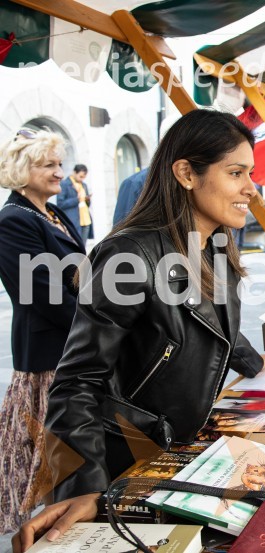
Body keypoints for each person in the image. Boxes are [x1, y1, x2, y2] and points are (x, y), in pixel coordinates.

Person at [13, 110, 265, 552]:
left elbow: (214, 330)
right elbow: (76, 383)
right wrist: (86, 486)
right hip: (126, 465)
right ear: (186, 173)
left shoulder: (217, 244)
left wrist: (263, 366)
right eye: (236, 173)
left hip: (176, 458)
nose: (251, 188)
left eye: (251, 173)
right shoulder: (127, 255)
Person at [0, 129, 85, 534]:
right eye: (48, 165)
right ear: (22, 169)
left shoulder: (51, 212)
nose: (59, 173)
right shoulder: (13, 219)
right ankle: (48, 534)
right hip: (49, 352)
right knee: (49, 458)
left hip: (70, 344)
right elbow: (42, 295)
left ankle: (65, 526)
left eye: (59, 164)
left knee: (67, 456)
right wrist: (95, 330)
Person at [57, 164, 93, 246]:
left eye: (84, 177)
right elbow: (60, 204)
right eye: (80, 176)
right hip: (73, 221)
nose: (82, 179)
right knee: (75, 247)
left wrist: (87, 200)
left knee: (83, 247)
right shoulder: (64, 184)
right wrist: (77, 200)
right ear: (74, 172)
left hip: (86, 220)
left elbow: (87, 205)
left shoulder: (84, 185)